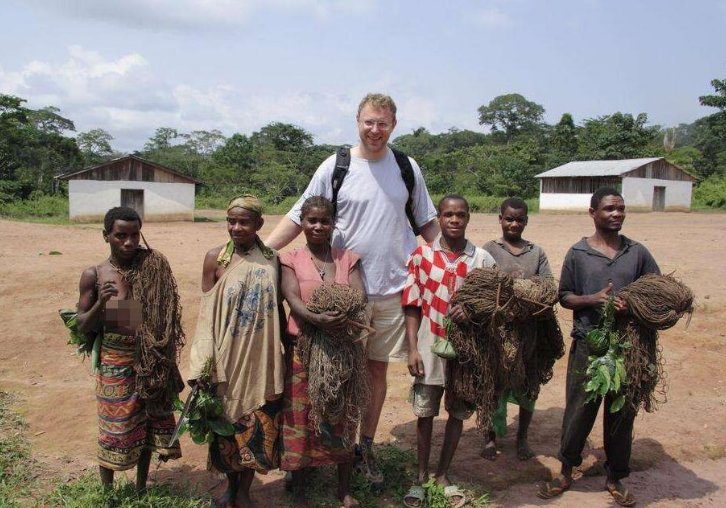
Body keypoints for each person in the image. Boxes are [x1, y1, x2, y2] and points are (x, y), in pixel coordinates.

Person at [266, 93, 439, 486]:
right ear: (356, 122)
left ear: (394, 125)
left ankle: (363, 447)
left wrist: (461, 260)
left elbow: (427, 223)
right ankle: (314, 449)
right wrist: (258, 253)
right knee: (331, 370)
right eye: (368, 122)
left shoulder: (406, 167)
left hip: (395, 289)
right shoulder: (336, 166)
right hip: (343, 291)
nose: (375, 130)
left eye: (383, 123)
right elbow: (299, 215)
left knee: (375, 373)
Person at [537, 187, 660, 507]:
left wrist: (631, 304)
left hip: (627, 348)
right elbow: (564, 297)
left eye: (620, 209)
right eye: (609, 209)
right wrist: (593, 300)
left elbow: (657, 291)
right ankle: (566, 470)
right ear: (593, 213)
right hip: (588, 345)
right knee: (579, 411)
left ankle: (616, 476)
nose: (616, 214)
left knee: (622, 414)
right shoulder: (578, 253)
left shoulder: (637, 252)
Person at [75, 206, 183, 495]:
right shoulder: (96, 274)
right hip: (116, 361)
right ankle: (107, 492)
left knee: (147, 427)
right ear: (106, 236)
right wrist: (102, 305)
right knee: (114, 426)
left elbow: (158, 316)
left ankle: (140, 488)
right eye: (121, 235)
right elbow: (82, 324)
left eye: (135, 235)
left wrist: (159, 353)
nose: (129, 242)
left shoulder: (153, 264)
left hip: (152, 360)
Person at [188, 195, 285, 508]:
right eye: (231, 221)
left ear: (259, 224)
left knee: (259, 429)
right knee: (228, 430)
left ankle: (244, 491)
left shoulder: (272, 258)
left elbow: (278, 310)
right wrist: (201, 365)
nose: (236, 227)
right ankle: (231, 488)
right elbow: (206, 316)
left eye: (244, 222)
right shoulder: (216, 259)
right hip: (227, 358)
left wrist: (289, 344)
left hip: (263, 359)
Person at [401, 195, 496, 508]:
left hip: (468, 352)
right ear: (438, 218)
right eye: (447, 214)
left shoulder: (481, 259)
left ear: (469, 217)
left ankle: (443, 474)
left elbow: (494, 305)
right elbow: (412, 305)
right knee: (425, 413)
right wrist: (412, 348)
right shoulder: (422, 254)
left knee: (457, 412)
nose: (454, 220)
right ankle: (420, 476)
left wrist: (475, 314)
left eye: (460, 214)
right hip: (429, 346)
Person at [279, 196, 364, 508]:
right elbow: (291, 295)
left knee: (342, 416)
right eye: (311, 220)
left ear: (333, 224)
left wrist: (340, 314)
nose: (317, 226)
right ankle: (300, 490)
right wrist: (314, 317)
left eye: (323, 221)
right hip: (304, 350)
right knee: (300, 419)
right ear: (302, 222)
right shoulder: (290, 259)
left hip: (341, 352)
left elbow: (359, 295)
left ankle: (344, 490)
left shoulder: (348, 258)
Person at [481, 197, 553, 461]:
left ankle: (522, 438)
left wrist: (520, 293)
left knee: (527, 385)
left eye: (520, 219)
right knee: (492, 384)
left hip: (529, 332)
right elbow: (482, 287)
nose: (514, 224)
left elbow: (547, 287)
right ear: (500, 219)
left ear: (526, 221)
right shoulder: (489, 250)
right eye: (509, 218)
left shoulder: (536, 252)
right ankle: (489, 437)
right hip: (496, 333)